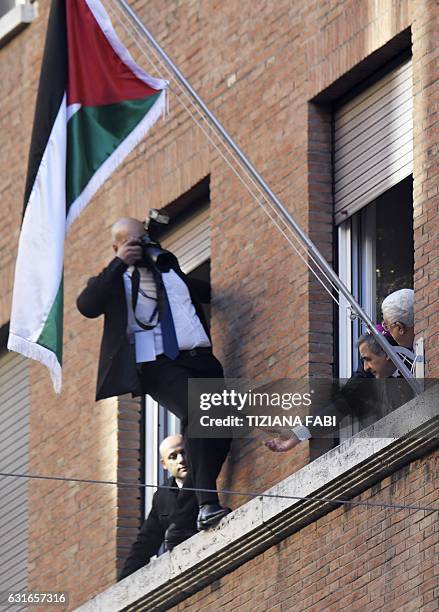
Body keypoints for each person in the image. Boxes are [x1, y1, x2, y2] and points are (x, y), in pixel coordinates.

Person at [77, 217, 231, 530]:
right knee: (199, 410)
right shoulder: (116, 280)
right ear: (117, 246)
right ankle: (207, 503)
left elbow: (205, 291)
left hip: (201, 357)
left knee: (221, 428)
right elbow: (87, 305)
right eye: (131, 242)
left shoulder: (170, 271)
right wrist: (120, 263)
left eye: (143, 239)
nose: (139, 246)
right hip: (158, 364)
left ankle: (184, 519)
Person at [119, 434, 198, 581]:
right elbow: (146, 541)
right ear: (164, 464)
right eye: (173, 456)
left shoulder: (206, 474)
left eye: (184, 452)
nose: (181, 460)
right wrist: (122, 583)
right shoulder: (161, 497)